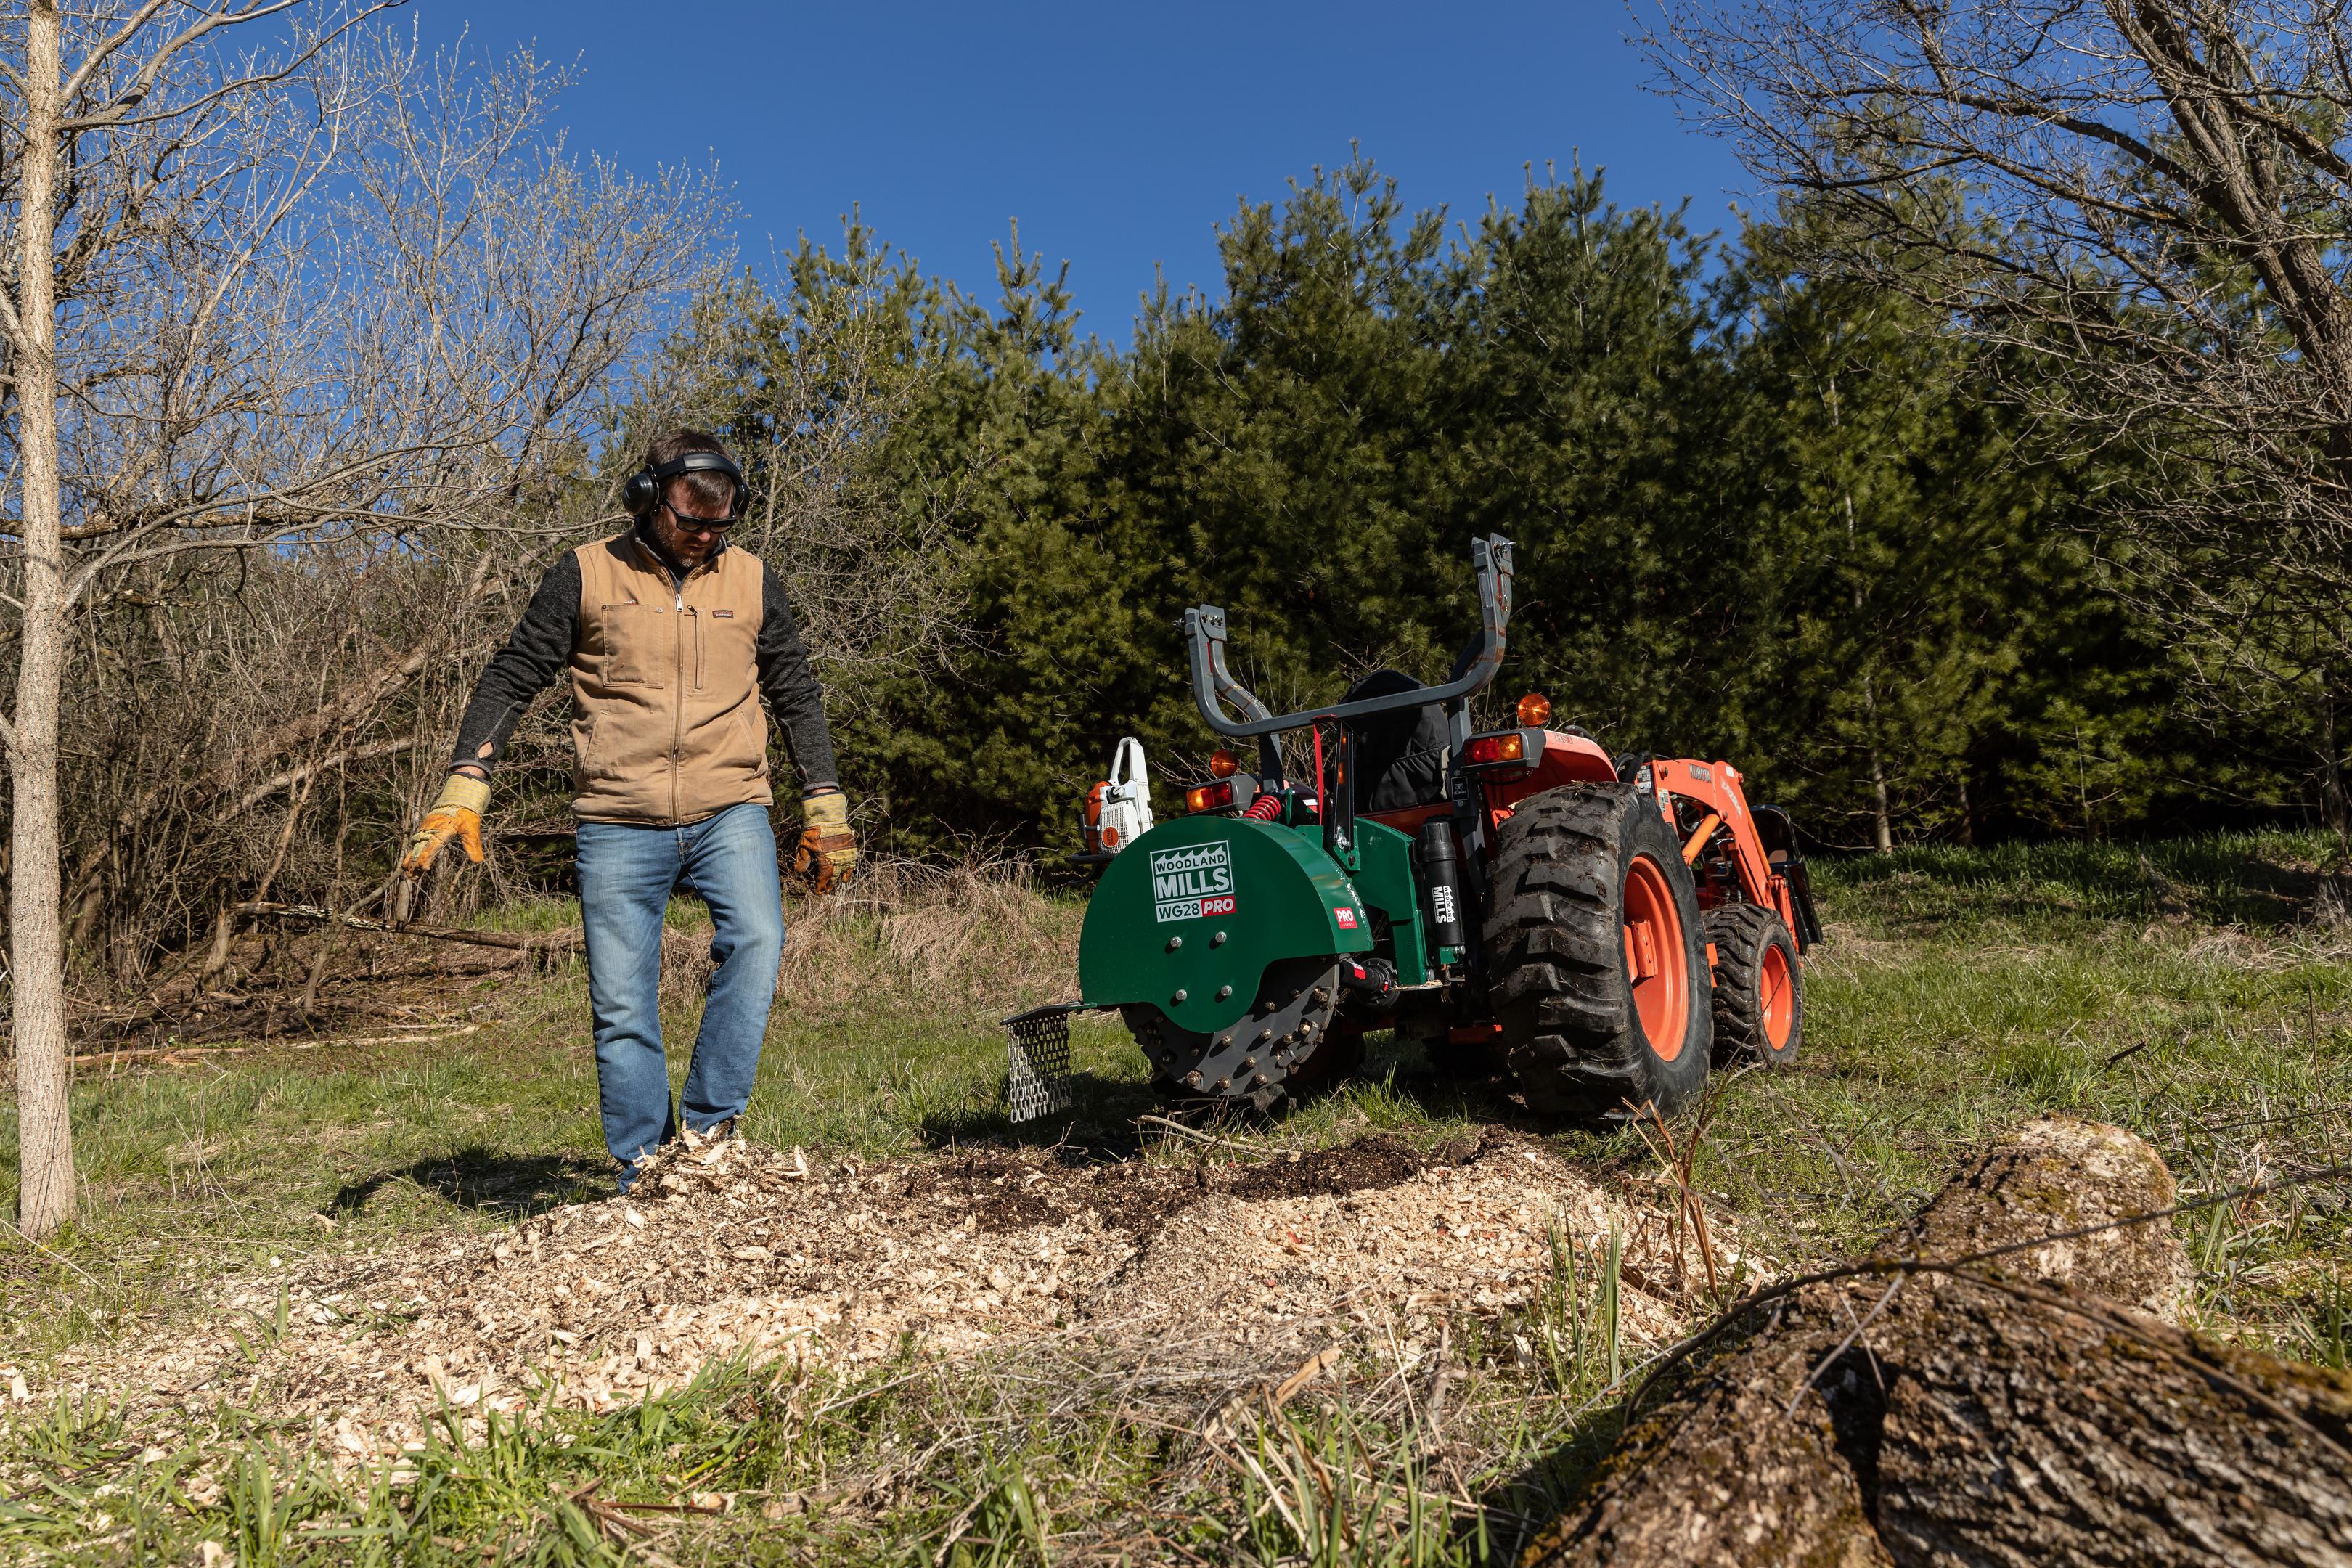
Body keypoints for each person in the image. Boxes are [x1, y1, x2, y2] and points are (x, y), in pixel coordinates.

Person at [400, 429, 855, 1188]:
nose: (705, 538)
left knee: (758, 943)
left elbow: (796, 691)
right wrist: (467, 779)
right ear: (646, 500)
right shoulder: (585, 573)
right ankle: (647, 1170)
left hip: (729, 804)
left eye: (719, 525)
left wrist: (826, 800)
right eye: (690, 522)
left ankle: (708, 1143)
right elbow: (514, 675)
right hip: (616, 814)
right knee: (620, 1003)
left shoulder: (750, 580)